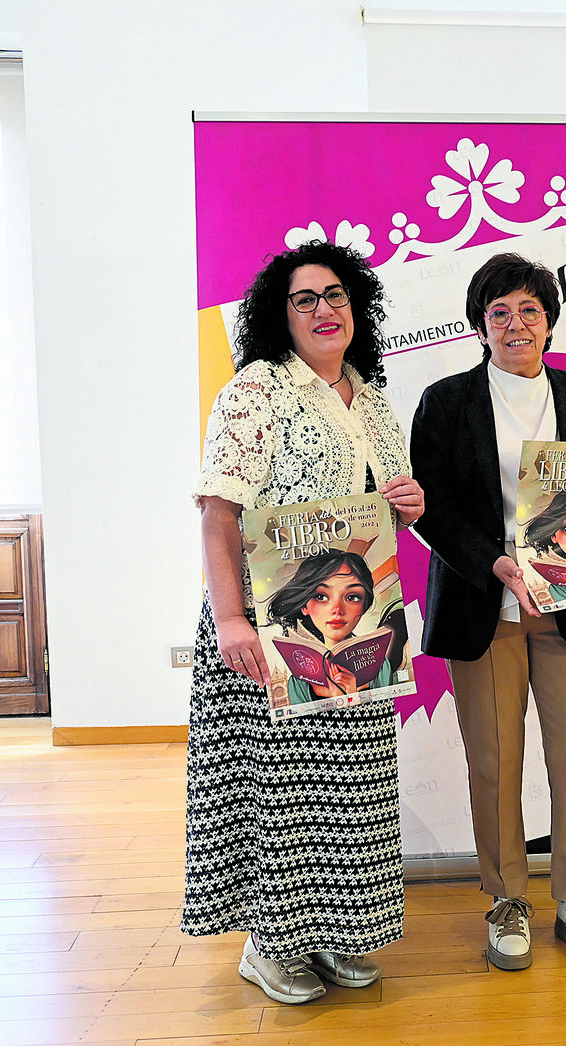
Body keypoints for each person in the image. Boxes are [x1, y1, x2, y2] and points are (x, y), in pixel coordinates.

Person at [186, 240, 424, 1005]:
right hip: (270, 618)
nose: (324, 309)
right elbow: (219, 511)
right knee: (281, 789)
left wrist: (409, 507)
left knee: (347, 789)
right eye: (305, 299)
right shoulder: (255, 391)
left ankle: (326, 933)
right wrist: (229, 617)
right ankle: (268, 942)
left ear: (357, 307)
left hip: (356, 619)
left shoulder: (373, 394)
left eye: (336, 295)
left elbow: (379, 514)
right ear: (278, 315)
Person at [410, 252, 566, 970]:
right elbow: (430, 509)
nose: (515, 323)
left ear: (550, 321)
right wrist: (496, 562)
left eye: (529, 309)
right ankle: (506, 897)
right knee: (494, 760)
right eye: (498, 311)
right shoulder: (445, 401)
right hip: (484, 602)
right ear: (479, 324)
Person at [264, 551, 400, 702]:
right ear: (305, 607)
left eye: (352, 597)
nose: (337, 609)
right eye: (321, 596)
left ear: (364, 606)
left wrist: (352, 698)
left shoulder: (380, 667)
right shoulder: (298, 682)